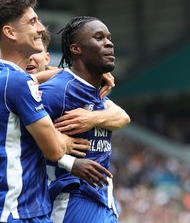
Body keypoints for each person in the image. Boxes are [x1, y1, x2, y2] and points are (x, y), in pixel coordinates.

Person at [0, 0, 112, 223]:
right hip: (8, 212)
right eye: (32, 22)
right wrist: (64, 142)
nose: (40, 28)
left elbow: (120, 115)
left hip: (29, 210)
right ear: (10, 32)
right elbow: (54, 150)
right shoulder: (16, 83)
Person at [39, 16, 131, 222]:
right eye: (99, 38)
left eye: (109, 37)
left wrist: (93, 118)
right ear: (76, 49)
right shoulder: (57, 90)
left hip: (101, 198)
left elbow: (124, 118)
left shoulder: (96, 92)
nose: (109, 43)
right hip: (71, 197)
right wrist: (70, 162)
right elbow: (23, 139)